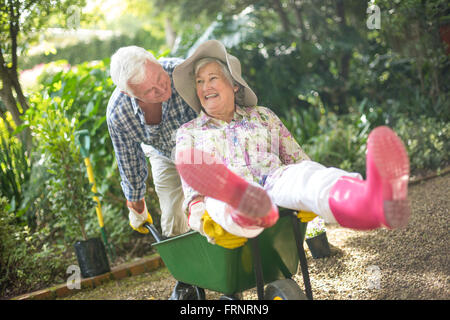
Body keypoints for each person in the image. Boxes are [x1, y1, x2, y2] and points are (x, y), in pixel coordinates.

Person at [172, 40, 410, 243]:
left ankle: (371, 203)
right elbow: (193, 190)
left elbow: (296, 158)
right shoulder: (189, 133)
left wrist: (309, 194)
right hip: (228, 194)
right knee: (217, 202)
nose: (205, 87)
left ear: (235, 85)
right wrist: (197, 213)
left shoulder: (263, 115)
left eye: (213, 78)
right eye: (200, 82)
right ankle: (247, 210)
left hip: (275, 181)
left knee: (307, 174)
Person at [107, 46, 201, 299]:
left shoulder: (184, 72)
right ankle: (188, 280)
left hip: (206, 147)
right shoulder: (119, 113)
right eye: (150, 91)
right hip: (164, 153)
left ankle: (234, 264)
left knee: (211, 207)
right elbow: (129, 160)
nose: (162, 89)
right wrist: (136, 204)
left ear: (158, 64)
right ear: (130, 94)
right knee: (172, 216)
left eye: (160, 78)